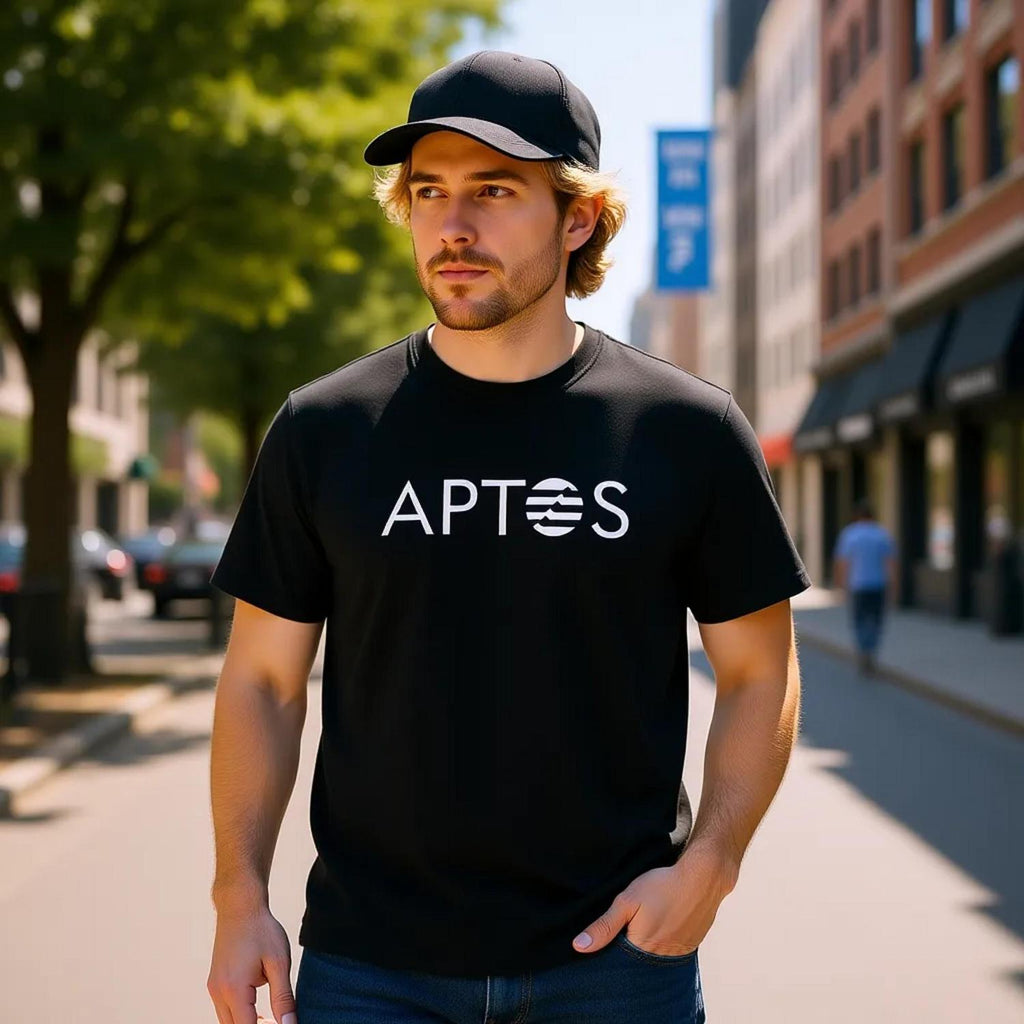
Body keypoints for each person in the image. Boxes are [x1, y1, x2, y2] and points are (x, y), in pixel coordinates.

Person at [206, 49, 812, 1024]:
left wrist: (714, 860)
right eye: (428, 192)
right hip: (371, 966)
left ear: (577, 217)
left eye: (493, 190)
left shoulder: (686, 429)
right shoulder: (324, 428)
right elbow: (262, 682)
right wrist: (239, 898)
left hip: (614, 962)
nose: (453, 224)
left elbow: (759, 672)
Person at [832, 498, 897, 676]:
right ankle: (871, 651)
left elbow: (843, 562)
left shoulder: (850, 534)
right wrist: (893, 587)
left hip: (858, 585)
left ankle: (863, 651)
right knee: (876, 621)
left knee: (859, 621)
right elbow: (891, 564)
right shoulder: (882, 535)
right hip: (878, 585)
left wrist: (841, 585)